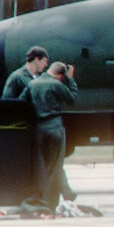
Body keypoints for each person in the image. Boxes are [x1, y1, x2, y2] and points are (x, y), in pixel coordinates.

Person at [20, 60, 78, 208]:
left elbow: (21, 101)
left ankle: (61, 196)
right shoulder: (57, 84)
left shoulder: (33, 83)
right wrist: (70, 80)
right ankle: (52, 201)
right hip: (55, 126)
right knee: (56, 164)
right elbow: (72, 99)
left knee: (46, 165)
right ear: (59, 76)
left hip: (39, 128)